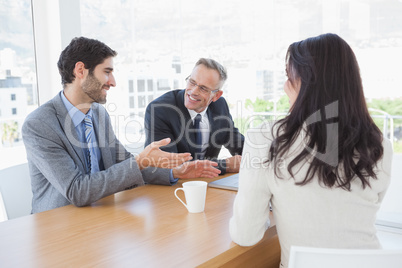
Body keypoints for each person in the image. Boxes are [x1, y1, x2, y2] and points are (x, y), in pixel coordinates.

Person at [229, 33, 393, 268]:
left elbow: (246, 235)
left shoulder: (264, 139)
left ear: (308, 83)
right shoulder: (379, 145)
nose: (285, 86)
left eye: (289, 77)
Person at [22, 37, 192, 214]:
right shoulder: (39, 124)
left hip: (100, 213)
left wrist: (174, 172)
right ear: (81, 70)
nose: (113, 82)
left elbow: (123, 161)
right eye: (107, 72)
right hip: (58, 224)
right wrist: (140, 161)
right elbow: (77, 190)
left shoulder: (98, 113)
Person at [144, 58, 245, 179]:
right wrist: (226, 165)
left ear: (216, 95)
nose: (193, 91)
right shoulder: (160, 110)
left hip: (207, 184)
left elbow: (238, 143)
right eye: (192, 82)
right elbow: (169, 165)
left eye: (203, 88)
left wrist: (266, 153)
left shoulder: (219, 105)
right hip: (171, 188)